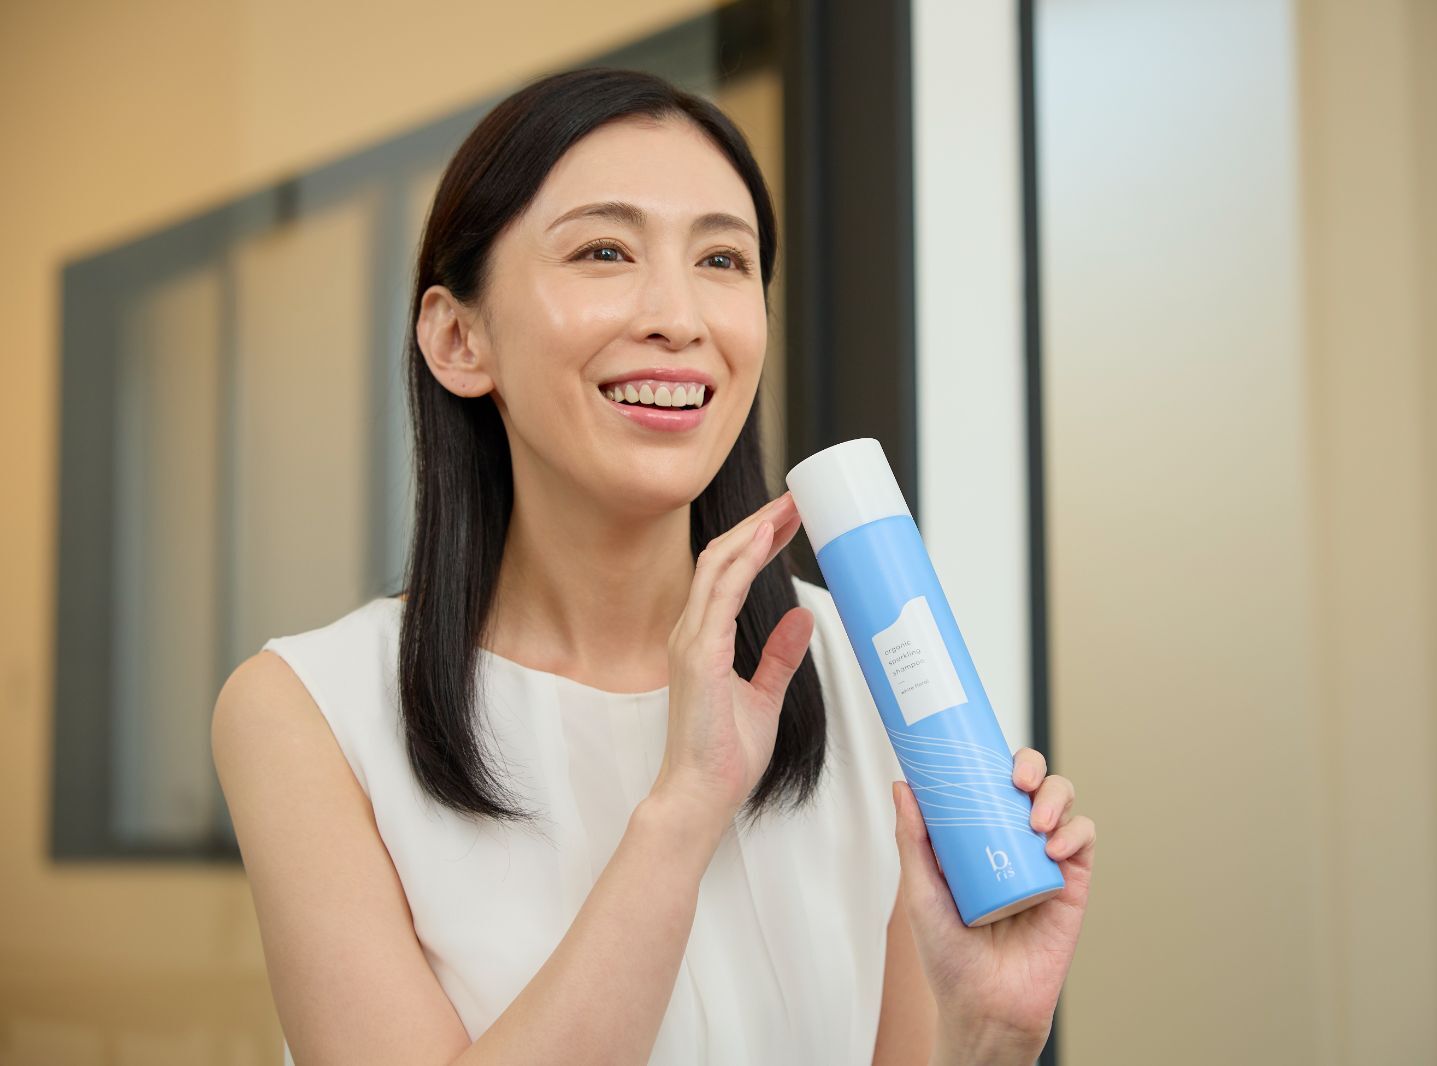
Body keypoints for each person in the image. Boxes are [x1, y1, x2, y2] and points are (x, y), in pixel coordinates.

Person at [211, 66, 1094, 1066]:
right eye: (604, 250)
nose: (680, 316)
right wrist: (685, 807)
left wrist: (990, 1034)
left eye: (722, 259)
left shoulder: (858, 660)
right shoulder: (307, 711)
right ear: (458, 338)